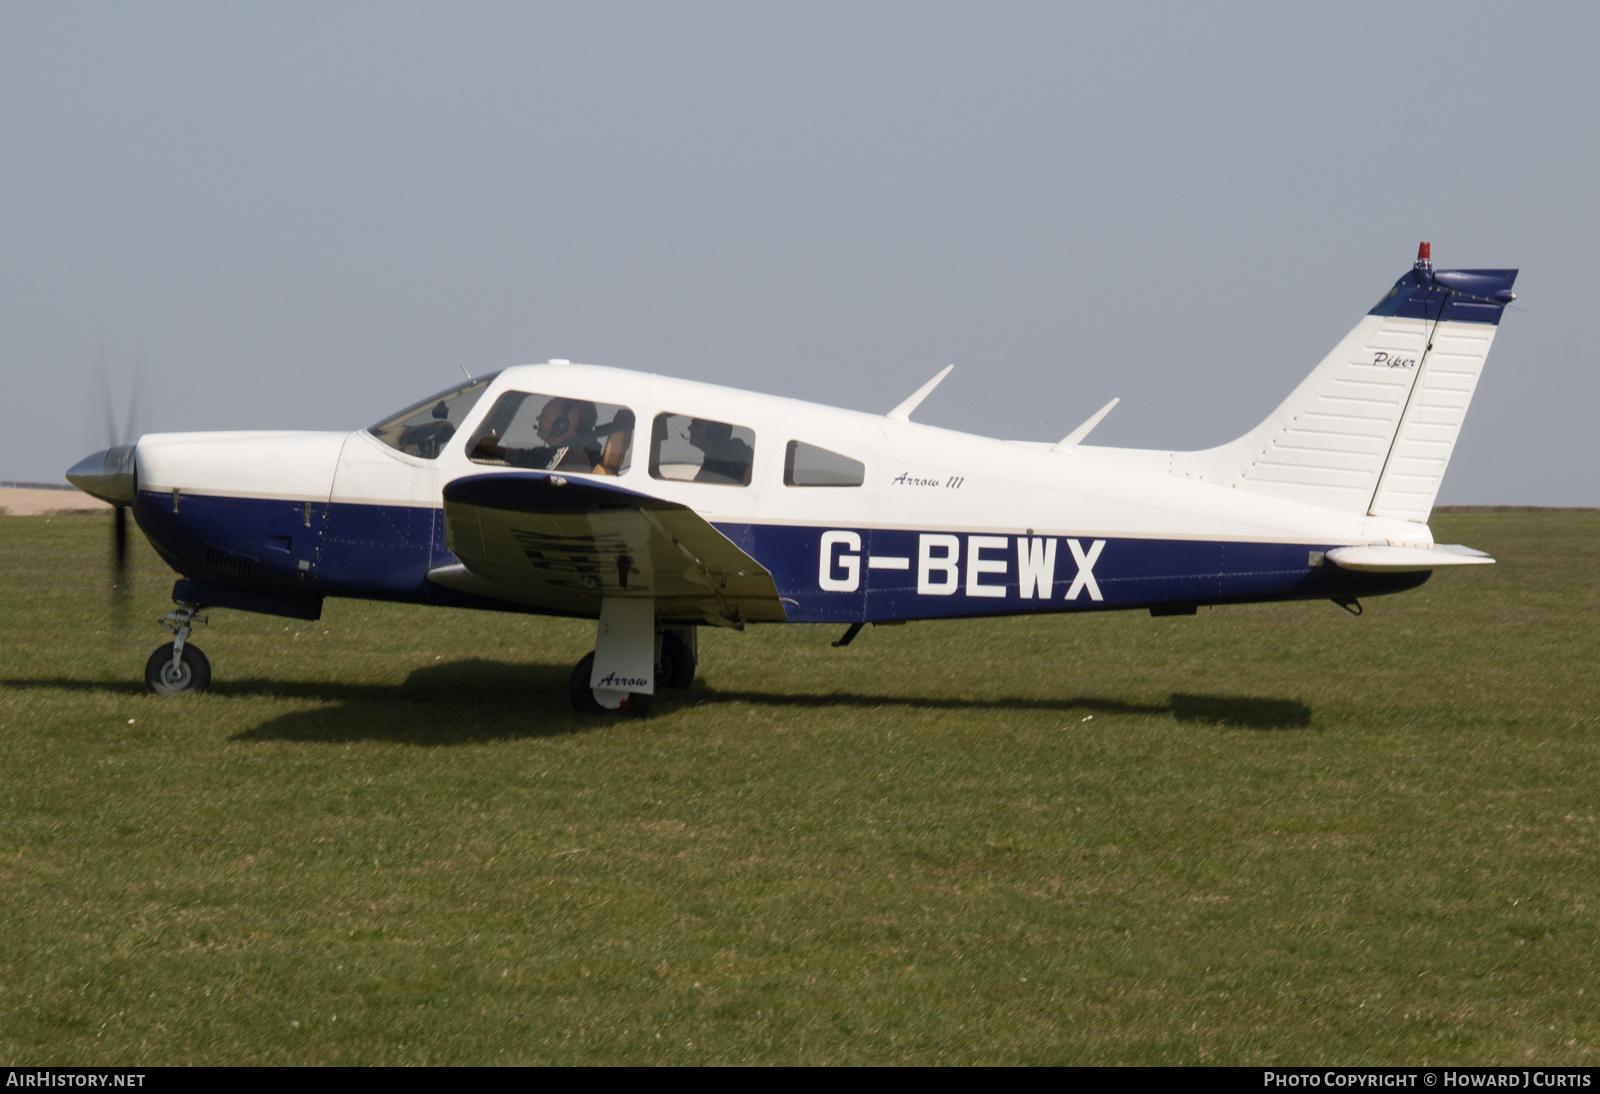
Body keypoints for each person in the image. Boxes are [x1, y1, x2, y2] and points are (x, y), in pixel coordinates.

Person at [472, 397, 597, 472]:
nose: (538, 418)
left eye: (544, 416)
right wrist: (483, 447)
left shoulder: (571, 455)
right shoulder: (558, 453)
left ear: (561, 425)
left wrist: (480, 446)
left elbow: (529, 459)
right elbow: (524, 457)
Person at [688, 418, 753, 484]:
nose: (689, 428)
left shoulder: (734, 450)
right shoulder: (711, 460)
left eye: (696, 423)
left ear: (713, 430)